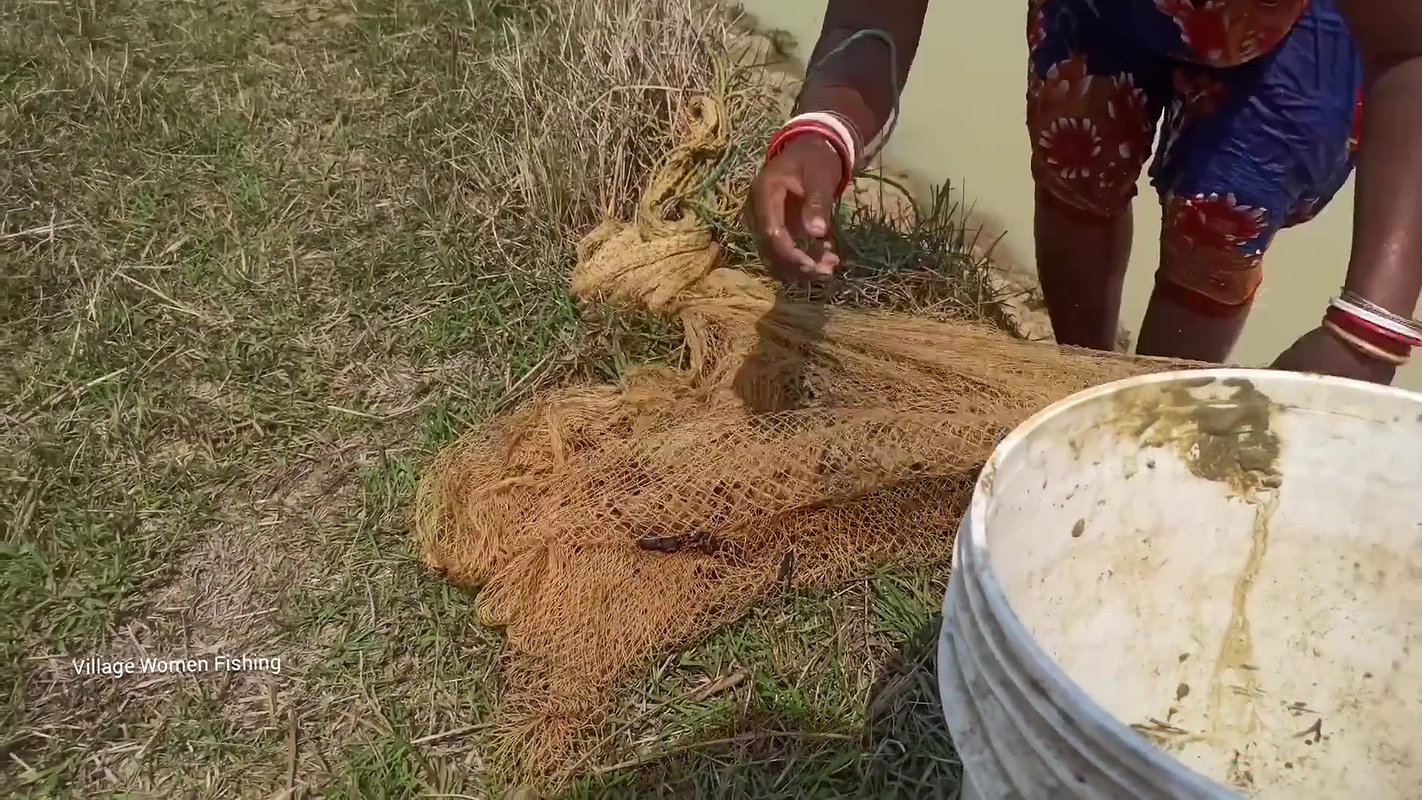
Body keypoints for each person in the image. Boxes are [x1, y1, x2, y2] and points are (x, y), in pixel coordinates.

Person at [746, 0, 1422, 384]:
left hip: (1295, 26)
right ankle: (1078, 377)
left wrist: (1368, 330)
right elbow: (877, 13)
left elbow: (1409, 47)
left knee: (1217, 224)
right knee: (1079, 154)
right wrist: (825, 129)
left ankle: (1157, 400)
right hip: (1108, 10)